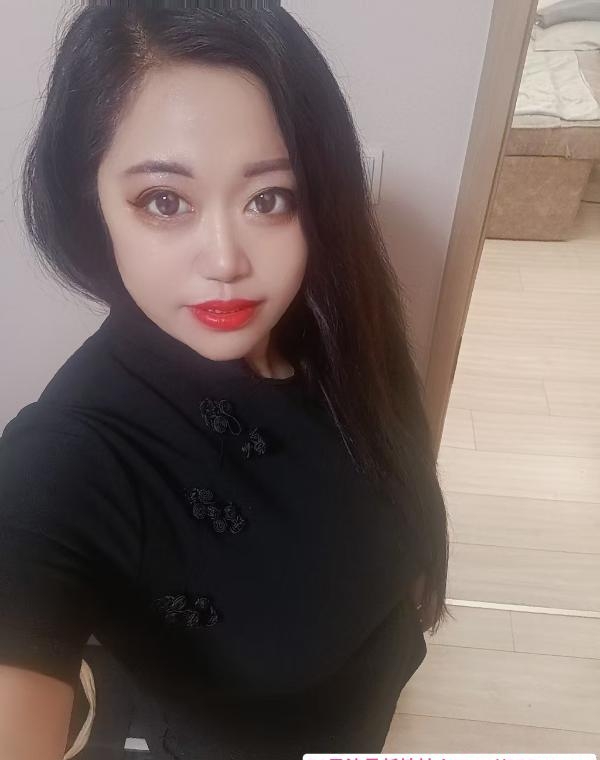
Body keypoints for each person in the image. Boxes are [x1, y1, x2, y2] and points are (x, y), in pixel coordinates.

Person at [0, 2, 450, 758]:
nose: (225, 260)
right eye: (164, 201)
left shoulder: (336, 336)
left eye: (269, 199)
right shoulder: (63, 460)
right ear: (92, 203)